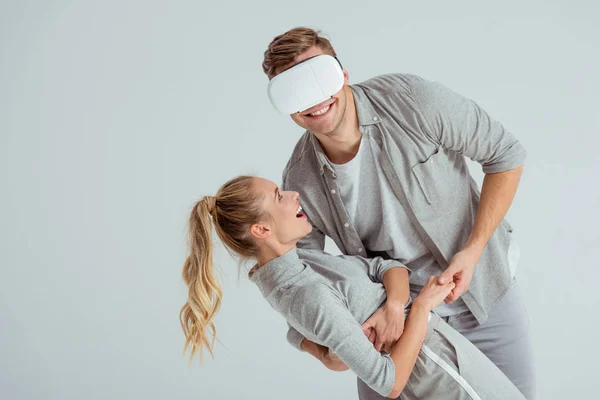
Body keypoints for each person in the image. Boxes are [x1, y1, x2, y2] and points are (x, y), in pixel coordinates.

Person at [261, 27, 535, 399]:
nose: (314, 99)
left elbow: (505, 154)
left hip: (481, 291)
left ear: (342, 74)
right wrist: (314, 346)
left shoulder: (412, 100)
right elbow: (297, 272)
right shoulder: (300, 179)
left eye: (317, 77)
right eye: (294, 91)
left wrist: (472, 250)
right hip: (392, 325)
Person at [179, 175, 526, 399]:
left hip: (442, 358)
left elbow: (386, 266)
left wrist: (394, 307)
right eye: (279, 196)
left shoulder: (303, 265)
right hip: (438, 375)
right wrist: (420, 308)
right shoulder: (305, 290)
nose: (294, 195)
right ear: (261, 231)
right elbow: (389, 383)